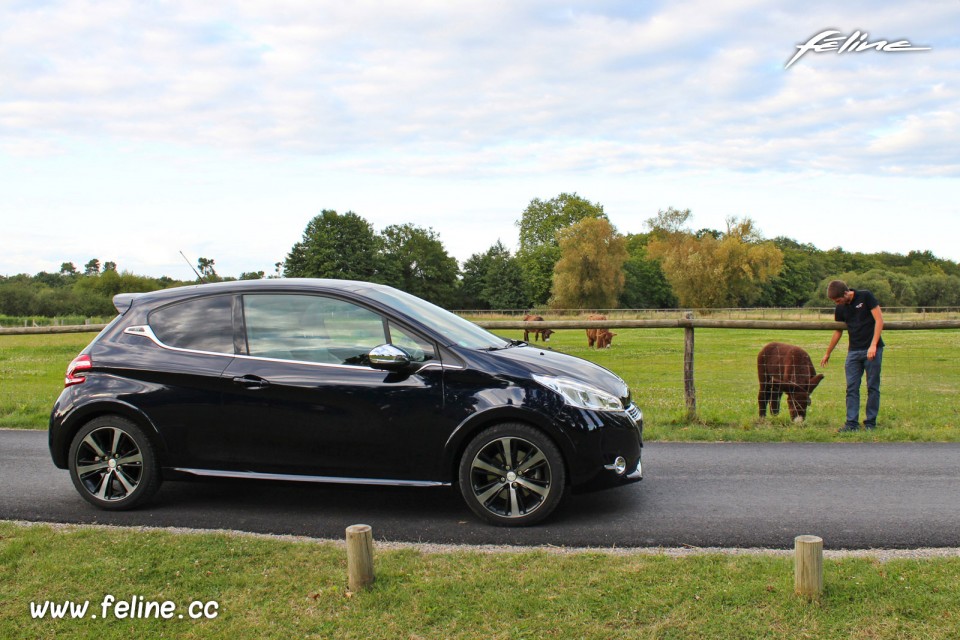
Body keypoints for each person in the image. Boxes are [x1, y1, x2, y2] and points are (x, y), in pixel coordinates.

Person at [820, 280, 885, 431]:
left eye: (838, 300)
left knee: (873, 387)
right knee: (851, 388)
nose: (838, 303)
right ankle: (851, 423)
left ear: (846, 293)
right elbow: (838, 331)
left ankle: (870, 422)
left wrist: (873, 345)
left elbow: (879, 320)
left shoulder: (865, 296)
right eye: (835, 302)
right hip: (853, 351)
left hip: (872, 349)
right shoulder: (840, 308)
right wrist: (828, 353)